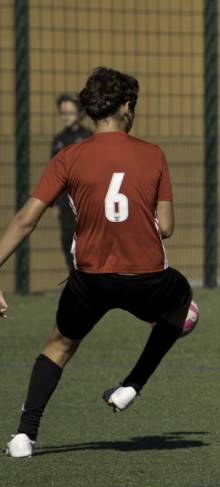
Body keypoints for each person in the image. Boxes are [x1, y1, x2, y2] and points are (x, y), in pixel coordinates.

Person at [2, 67, 193, 458]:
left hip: (90, 279)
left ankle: (24, 436)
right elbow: (168, 229)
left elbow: (25, 220)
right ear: (126, 107)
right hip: (147, 280)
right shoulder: (153, 154)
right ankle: (132, 386)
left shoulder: (68, 156)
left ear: (90, 110)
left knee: (59, 346)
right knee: (184, 305)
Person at [52, 92, 93, 270]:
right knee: (68, 240)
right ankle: (74, 278)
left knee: (88, 241)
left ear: (80, 113)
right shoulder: (59, 140)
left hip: (86, 199)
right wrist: (55, 203)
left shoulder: (88, 136)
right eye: (63, 113)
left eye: (69, 112)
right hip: (65, 202)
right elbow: (54, 173)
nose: (66, 117)